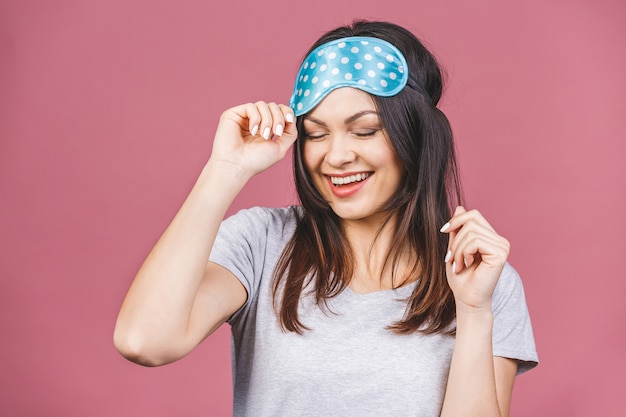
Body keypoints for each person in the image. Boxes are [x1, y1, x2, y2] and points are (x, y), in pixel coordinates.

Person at [114, 20, 538, 417]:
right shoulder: (261, 243)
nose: (335, 156)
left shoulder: (481, 280)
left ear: (416, 136)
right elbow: (144, 341)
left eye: (364, 130)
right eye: (316, 134)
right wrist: (225, 170)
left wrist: (473, 309)